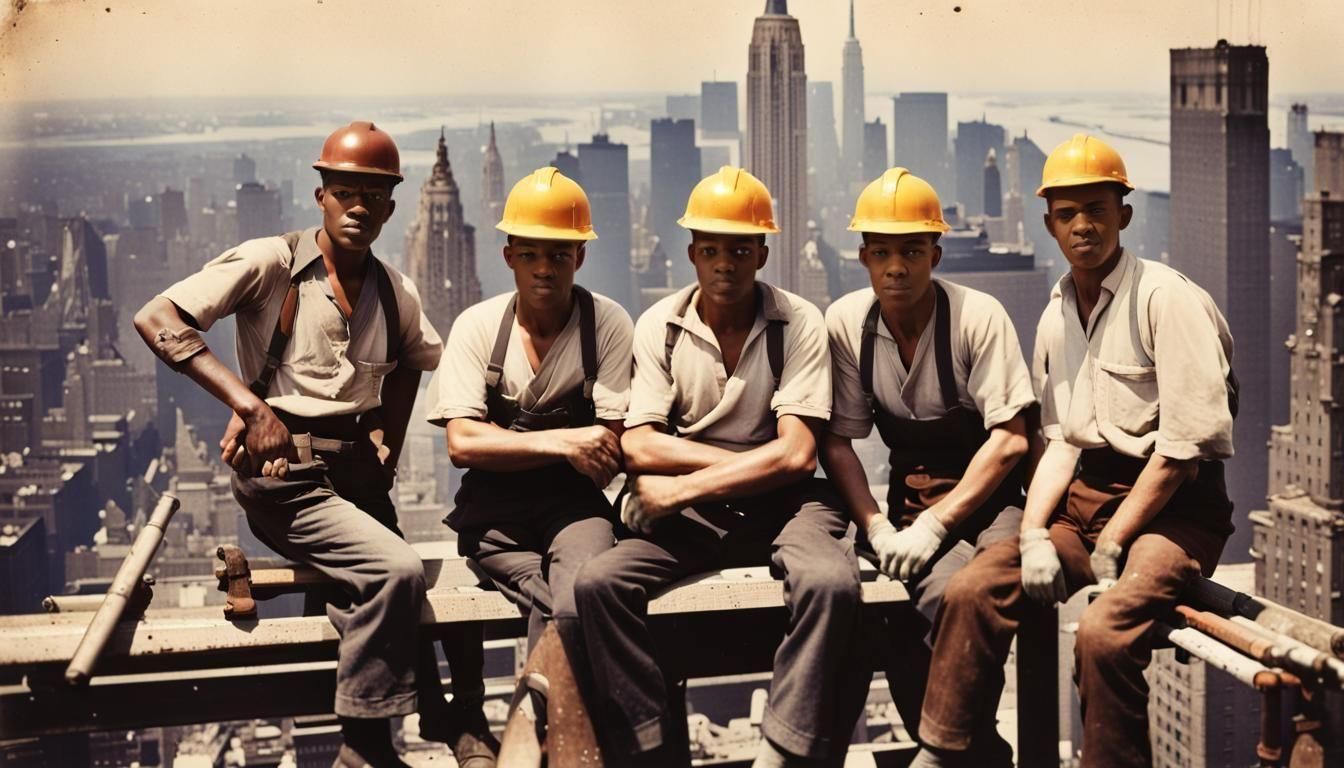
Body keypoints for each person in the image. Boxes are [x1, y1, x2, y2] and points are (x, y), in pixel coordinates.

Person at [133, 122, 487, 768]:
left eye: (374, 196)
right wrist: (249, 405)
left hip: (355, 477)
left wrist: (390, 438)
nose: (359, 206)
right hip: (284, 476)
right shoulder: (270, 263)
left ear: (390, 207)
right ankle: (361, 746)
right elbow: (157, 319)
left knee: (407, 585)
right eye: (345, 191)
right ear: (320, 193)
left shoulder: (393, 290)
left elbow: (416, 358)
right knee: (395, 571)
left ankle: (443, 718)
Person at [910, 134, 1236, 768]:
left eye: (1097, 209)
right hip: (1084, 507)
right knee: (973, 588)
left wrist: (1115, 544)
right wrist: (1034, 535)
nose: (1083, 226)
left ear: (1125, 215)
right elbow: (1059, 439)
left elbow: (1180, 453)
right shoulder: (1058, 314)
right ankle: (943, 751)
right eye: (1067, 213)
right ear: (1049, 223)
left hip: (1170, 513)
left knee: (1102, 635)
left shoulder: (1165, 301)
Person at [569, 166, 867, 768]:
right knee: (598, 585)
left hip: (780, 504)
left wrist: (680, 489)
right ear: (692, 253)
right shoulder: (661, 327)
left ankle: (784, 748)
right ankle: (649, 747)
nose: (725, 263)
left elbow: (799, 457)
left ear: (762, 251)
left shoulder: (797, 323)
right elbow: (640, 447)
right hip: (697, 512)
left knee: (832, 584)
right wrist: (753, 464)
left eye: (739, 248)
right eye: (711, 249)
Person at [822, 167, 1034, 765]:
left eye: (912, 251)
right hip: (909, 502)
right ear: (862, 257)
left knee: (954, 592)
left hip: (993, 501)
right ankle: (956, 746)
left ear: (935, 254)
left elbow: (1012, 441)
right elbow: (838, 441)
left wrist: (937, 528)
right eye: (882, 252)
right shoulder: (848, 325)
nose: (896, 267)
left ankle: (954, 750)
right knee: (884, 615)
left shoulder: (976, 317)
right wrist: (876, 526)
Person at [427, 165, 631, 708]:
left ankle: (537, 723)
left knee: (576, 590)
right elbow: (463, 445)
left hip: (574, 509)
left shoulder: (605, 325)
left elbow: (609, 451)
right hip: (493, 520)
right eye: (532, 253)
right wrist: (566, 443)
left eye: (559, 254)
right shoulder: (477, 327)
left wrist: (509, 446)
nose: (545, 268)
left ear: (579, 258)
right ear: (509, 255)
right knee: (568, 603)